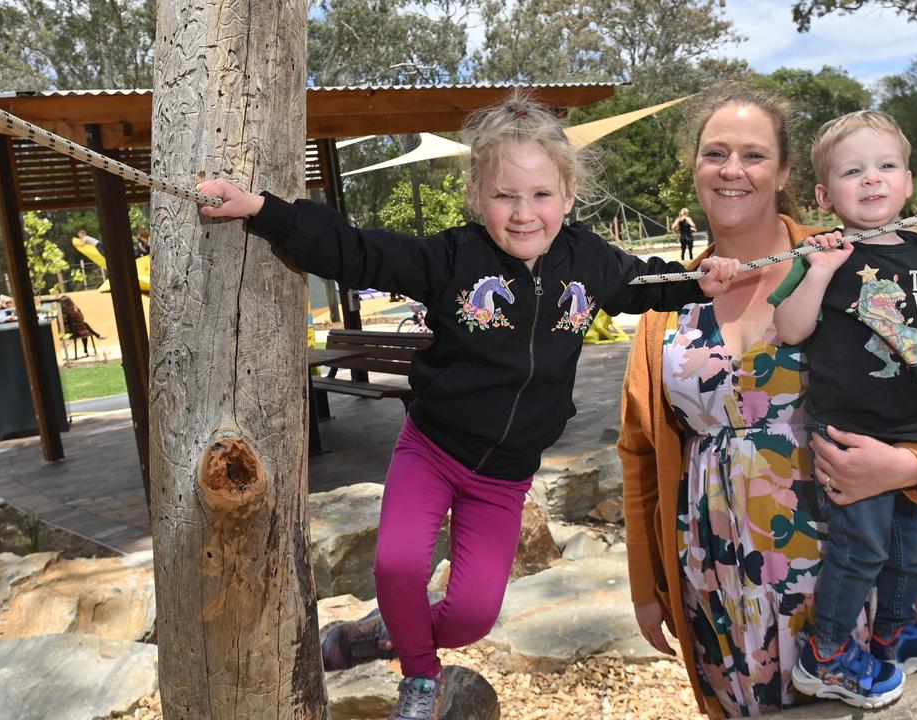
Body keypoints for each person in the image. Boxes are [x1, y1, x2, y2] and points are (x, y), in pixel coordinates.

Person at [197, 93, 730, 720]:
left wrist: (702, 282)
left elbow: (645, 283)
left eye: (541, 195)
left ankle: (382, 634)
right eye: (506, 196)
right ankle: (420, 678)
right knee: (396, 566)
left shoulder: (590, 262)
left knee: (474, 617)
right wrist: (261, 209)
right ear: (477, 196)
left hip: (505, 475)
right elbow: (356, 251)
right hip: (433, 448)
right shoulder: (451, 258)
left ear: (569, 193)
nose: (524, 213)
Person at [619, 87, 917, 717]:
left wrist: (913, 467)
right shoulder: (670, 303)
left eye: (753, 154)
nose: (732, 169)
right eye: (715, 153)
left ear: (788, 173)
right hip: (724, 583)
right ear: (695, 168)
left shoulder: (855, 259)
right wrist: (646, 588)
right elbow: (640, 455)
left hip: (849, 568)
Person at [764, 111, 917, 708]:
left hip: (916, 437)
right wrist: (817, 272)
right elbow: (788, 329)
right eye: (853, 171)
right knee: (861, 549)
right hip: (852, 433)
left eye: (886, 166)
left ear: (908, 179)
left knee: (914, 549)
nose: (872, 179)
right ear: (825, 194)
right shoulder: (826, 255)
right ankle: (828, 653)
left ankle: (894, 636)